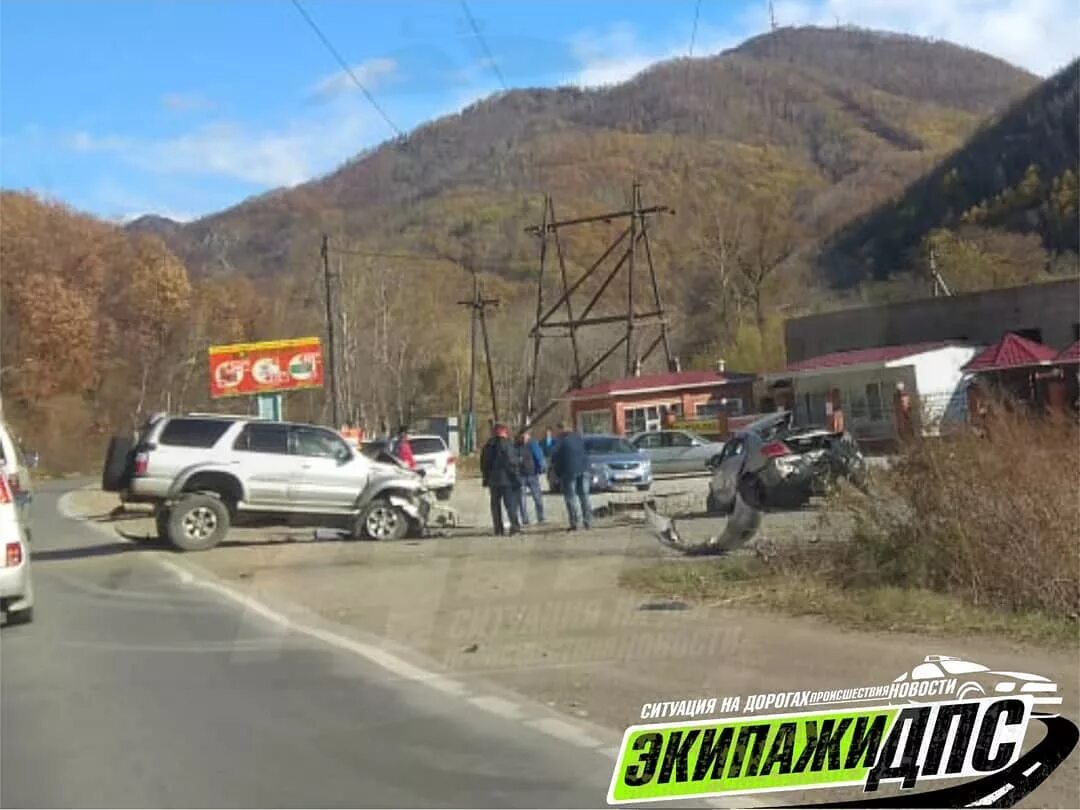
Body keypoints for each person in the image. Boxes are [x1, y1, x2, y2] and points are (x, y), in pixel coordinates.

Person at [480, 423, 522, 536]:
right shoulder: (507, 445)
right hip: (507, 480)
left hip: (493, 480)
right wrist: (516, 478)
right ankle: (514, 527)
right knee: (510, 505)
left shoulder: (488, 446)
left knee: (495, 505)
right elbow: (511, 463)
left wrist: (486, 477)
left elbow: (484, 464)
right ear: (504, 431)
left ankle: (498, 529)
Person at [550, 422, 592, 531]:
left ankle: (575, 523)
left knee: (571, 497)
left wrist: (557, 474)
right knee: (584, 496)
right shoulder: (578, 437)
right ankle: (588, 521)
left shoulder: (561, 441)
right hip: (584, 468)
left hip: (569, 471)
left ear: (560, 429)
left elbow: (554, 457)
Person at [515, 429, 546, 525]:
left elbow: (539, 457)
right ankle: (525, 519)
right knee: (521, 499)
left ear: (528, 436)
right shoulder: (515, 446)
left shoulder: (533, 444)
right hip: (520, 476)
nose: (524, 439)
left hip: (532, 474)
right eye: (522, 437)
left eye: (525, 436)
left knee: (537, 498)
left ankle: (541, 517)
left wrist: (541, 468)